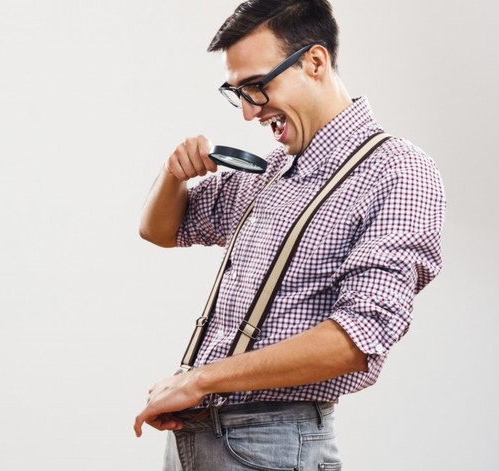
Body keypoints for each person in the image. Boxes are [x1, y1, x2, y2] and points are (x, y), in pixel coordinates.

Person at [133, 1, 446, 470]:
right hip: (195, 439)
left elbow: (358, 337)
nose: (248, 112)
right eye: (238, 92)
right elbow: (161, 230)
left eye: (257, 86)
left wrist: (200, 380)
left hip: (272, 446)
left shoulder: (398, 170)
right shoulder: (271, 170)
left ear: (315, 61)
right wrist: (173, 173)